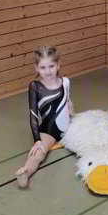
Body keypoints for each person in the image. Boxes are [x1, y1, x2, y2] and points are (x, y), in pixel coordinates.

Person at [16, 46, 72, 189]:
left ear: (58, 65)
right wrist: (37, 140)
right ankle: (26, 172)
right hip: (50, 130)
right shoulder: (35, 86)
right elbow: (33, 114)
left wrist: (74, 118)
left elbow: (68, 103)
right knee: (39, 153)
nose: (48, 71)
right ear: (36, 68)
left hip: (68, 127)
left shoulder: (65, 82)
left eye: (51, 66)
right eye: (43, 67)